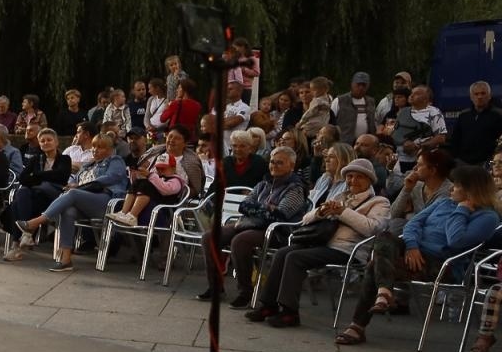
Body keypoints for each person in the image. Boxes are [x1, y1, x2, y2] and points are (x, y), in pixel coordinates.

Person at [336, 164, 500, 345]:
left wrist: (461, 210)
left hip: (443, 264)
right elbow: (413, 224)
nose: (451, 188)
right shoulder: (443, 202)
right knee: (385, 236)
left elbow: (456, 241)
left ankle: (359, 324)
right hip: (412, 252)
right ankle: (383, 292)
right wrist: (412, 246)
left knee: (374, 266)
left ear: (471, 190)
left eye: (457, 186)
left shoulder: (487, 217)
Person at [246, 158, 389, 328]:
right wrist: (321, 212)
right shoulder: (341, 195)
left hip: (347, 249)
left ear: (369, 180)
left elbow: (372, 228)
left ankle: (289, 311)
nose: (353, 181)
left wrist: (343, 212)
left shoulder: (379, 202)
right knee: (283, 252)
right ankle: (268, 305)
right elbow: (305, 219)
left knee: (295, 257)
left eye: (359, 177)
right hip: (322, 242)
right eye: (350, 176)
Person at [195, 146, 309, 305]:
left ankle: (245, 291)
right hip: (251, 225)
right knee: (209, 237)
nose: (273, 166)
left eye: (279, 163)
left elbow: (280, 215)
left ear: (291, 165)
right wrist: (266, 208)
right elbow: (243, 206)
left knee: (240, 241)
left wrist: (257, 209)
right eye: (272, 162)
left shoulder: (296, 189)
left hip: (277, 231)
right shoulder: (264, 183)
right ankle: (216, 287)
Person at [16, 133, 129, 272]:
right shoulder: (88, 165)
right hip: (86, 201)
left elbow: (111, 177)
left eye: (100, 147)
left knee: (73, 193)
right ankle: (66, 260)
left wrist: (80, 186)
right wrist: (71, 184)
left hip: (106, 201)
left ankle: (35, 222)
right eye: (94, 146)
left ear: (110, 149)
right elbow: (74, 179)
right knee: (68, 211)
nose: (95, 150)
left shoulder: (115, 160)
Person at [106, 126, 199, 227]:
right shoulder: (156, 156)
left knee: (145, 185)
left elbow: (188, 189)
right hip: (149, 194)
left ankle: (132, 216)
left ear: (185, 143)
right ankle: (123, 213)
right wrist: (135, 175)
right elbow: (148, 180)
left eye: (177, 138)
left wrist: (150, 175)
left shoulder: (189, 164)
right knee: (139, 184)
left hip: (166, 203)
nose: (172, 140)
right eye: (170, 136)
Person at [1, 129, 71, 252]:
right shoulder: (36, 159)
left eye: (49, 140)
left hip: (53, 198)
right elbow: (23, 178)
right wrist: (45, 176)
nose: (46, 143)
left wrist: (37, 175)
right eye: (42, 141)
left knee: (16, 204)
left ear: (56, 142)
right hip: (35, 197)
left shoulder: (64, 159)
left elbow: (62, 176)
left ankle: (16, 245)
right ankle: (26, 235)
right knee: (22, 194)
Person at [386, 149, 455, 237]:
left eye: (419, 165)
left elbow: (430, 222)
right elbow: (393, 214)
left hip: (431, 235)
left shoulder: (449, 191)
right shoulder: (417, 185)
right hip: (413, 230)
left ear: (433, 170)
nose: (415, 168)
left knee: (396, 225)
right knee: (395, 224)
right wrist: (406, 189)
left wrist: (409, 216)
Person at [445, 82, 502, 166]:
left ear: (489, 96)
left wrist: (493, 160)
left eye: (483, 93)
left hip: (486, 163)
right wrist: (455, 158)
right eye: (476, 94)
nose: (479, 97)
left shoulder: (498, 115)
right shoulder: (464, 115)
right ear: (471, 97)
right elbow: (455, 139)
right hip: (463, 162)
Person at [333, 72, 377, 142]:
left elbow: (374, 122)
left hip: (366, 144)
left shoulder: (370, 102)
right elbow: (331, 122)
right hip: (344, 143)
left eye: (364, 85)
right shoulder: (339, 100)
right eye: (358, 84)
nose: (361, 87)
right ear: (352, 84)